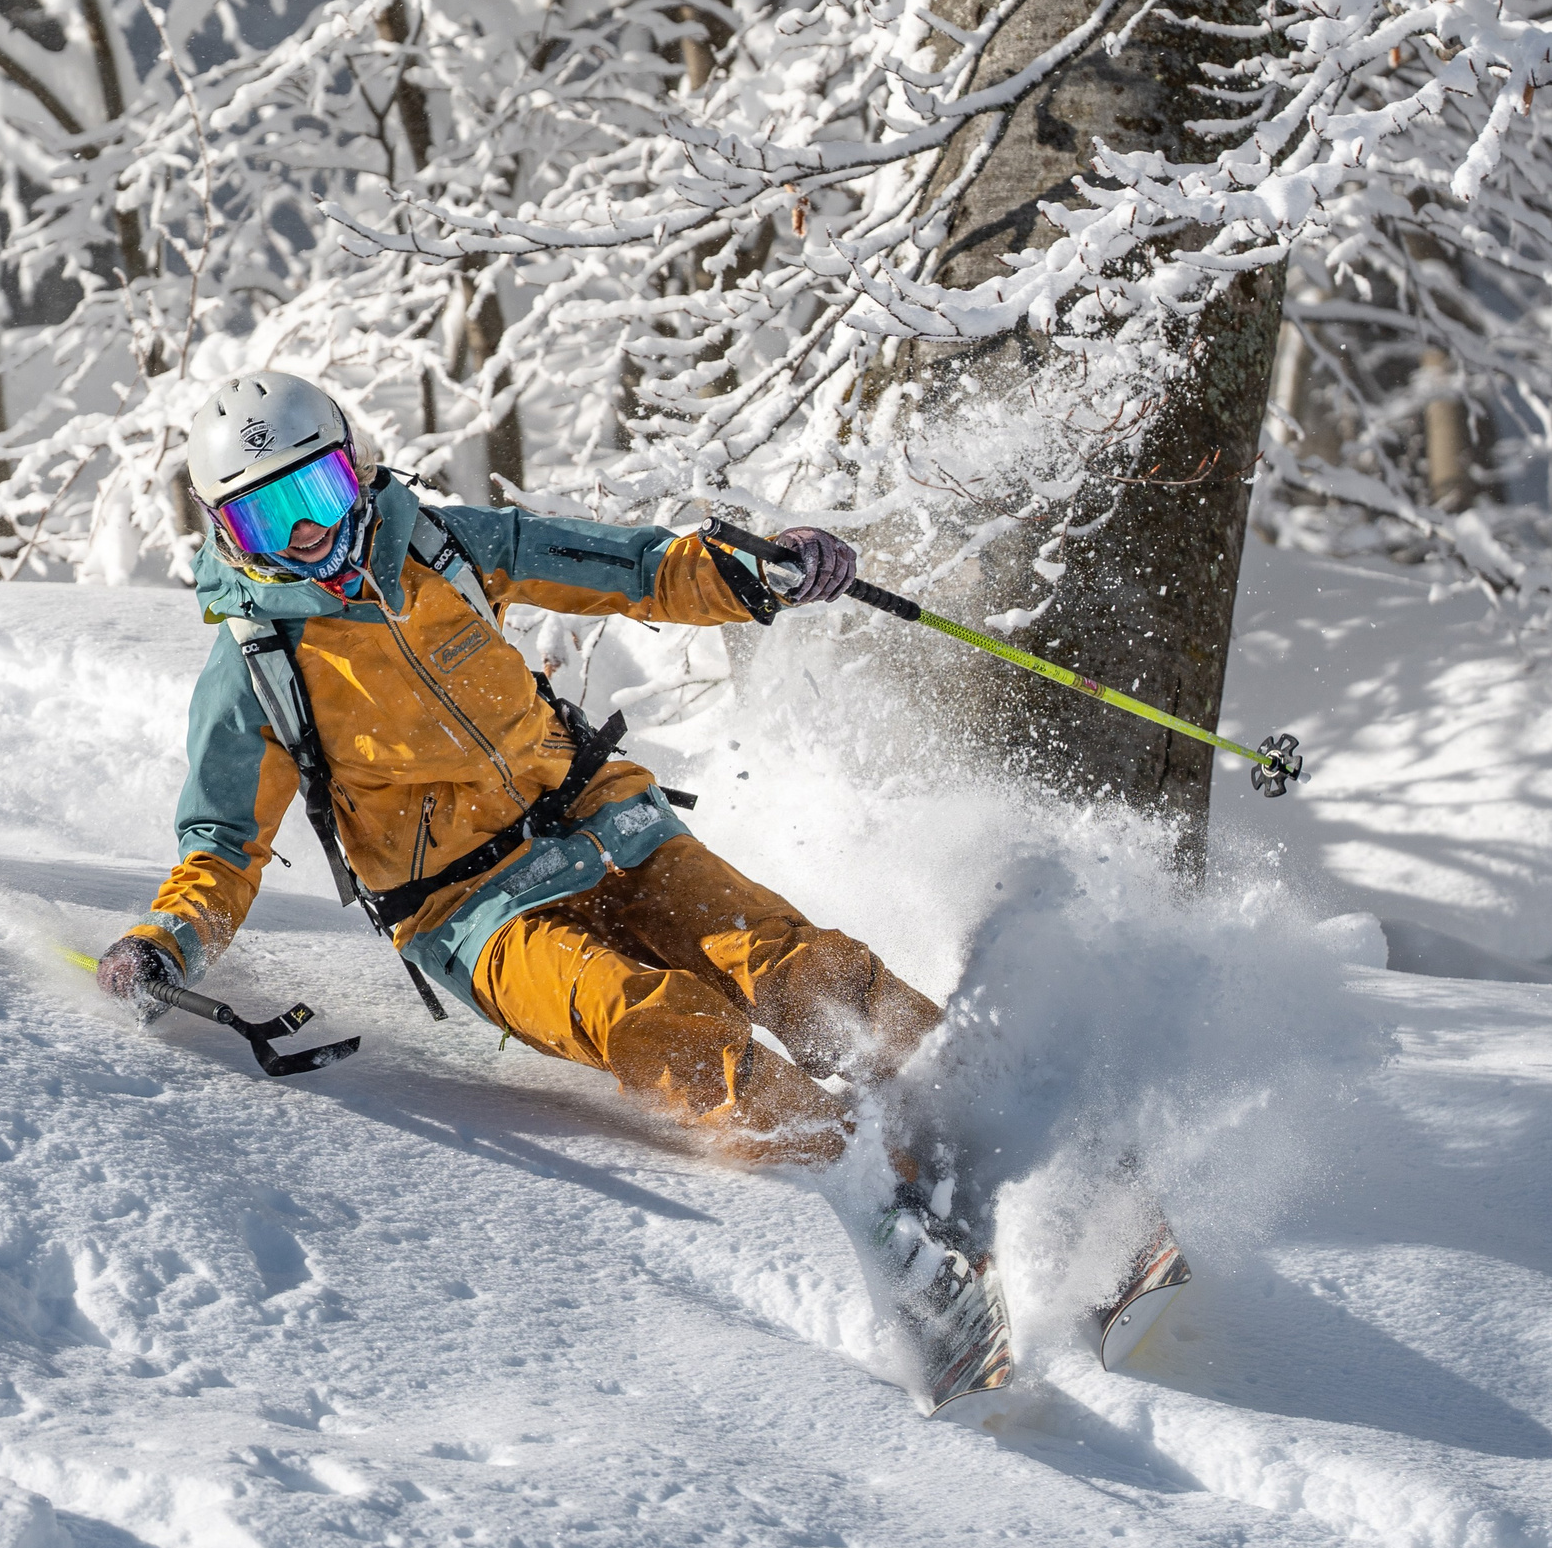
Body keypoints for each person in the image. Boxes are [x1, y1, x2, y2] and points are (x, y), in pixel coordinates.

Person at [93, 371, 942, 1167]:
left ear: (353, 467)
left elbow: (639, 569)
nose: (307, 535)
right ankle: (849, 1174)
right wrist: (170, 940)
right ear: (220, 529)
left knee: (786, 959)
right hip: (471, 909)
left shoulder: (443, 546)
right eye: (265, 521)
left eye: (314, 495)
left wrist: (752, 570)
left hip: (600, 824)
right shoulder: (255, 665)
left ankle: (960, 1097)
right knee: (652, 1019)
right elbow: (222, 843)